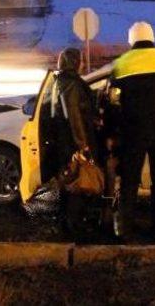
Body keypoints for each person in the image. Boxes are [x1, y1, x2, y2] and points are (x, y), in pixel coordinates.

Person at [110, 21, 155, 241]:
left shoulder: (121, 64)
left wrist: (115, 126)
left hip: (133, 132)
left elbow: (112, 99)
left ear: (131, 39)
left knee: (129, 181)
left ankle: (124, 230)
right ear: (152, 37)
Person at [50, 47, 98, 234]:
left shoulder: (59, 81)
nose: (83, 64)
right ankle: (73, 226)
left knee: (68, 180)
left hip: (63, 140)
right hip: (72, 142)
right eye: (81, 60)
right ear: (75, 62)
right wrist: (82, 145)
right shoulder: (71, 84)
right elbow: (75, 116)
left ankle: (66, 222)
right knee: (76, 182)